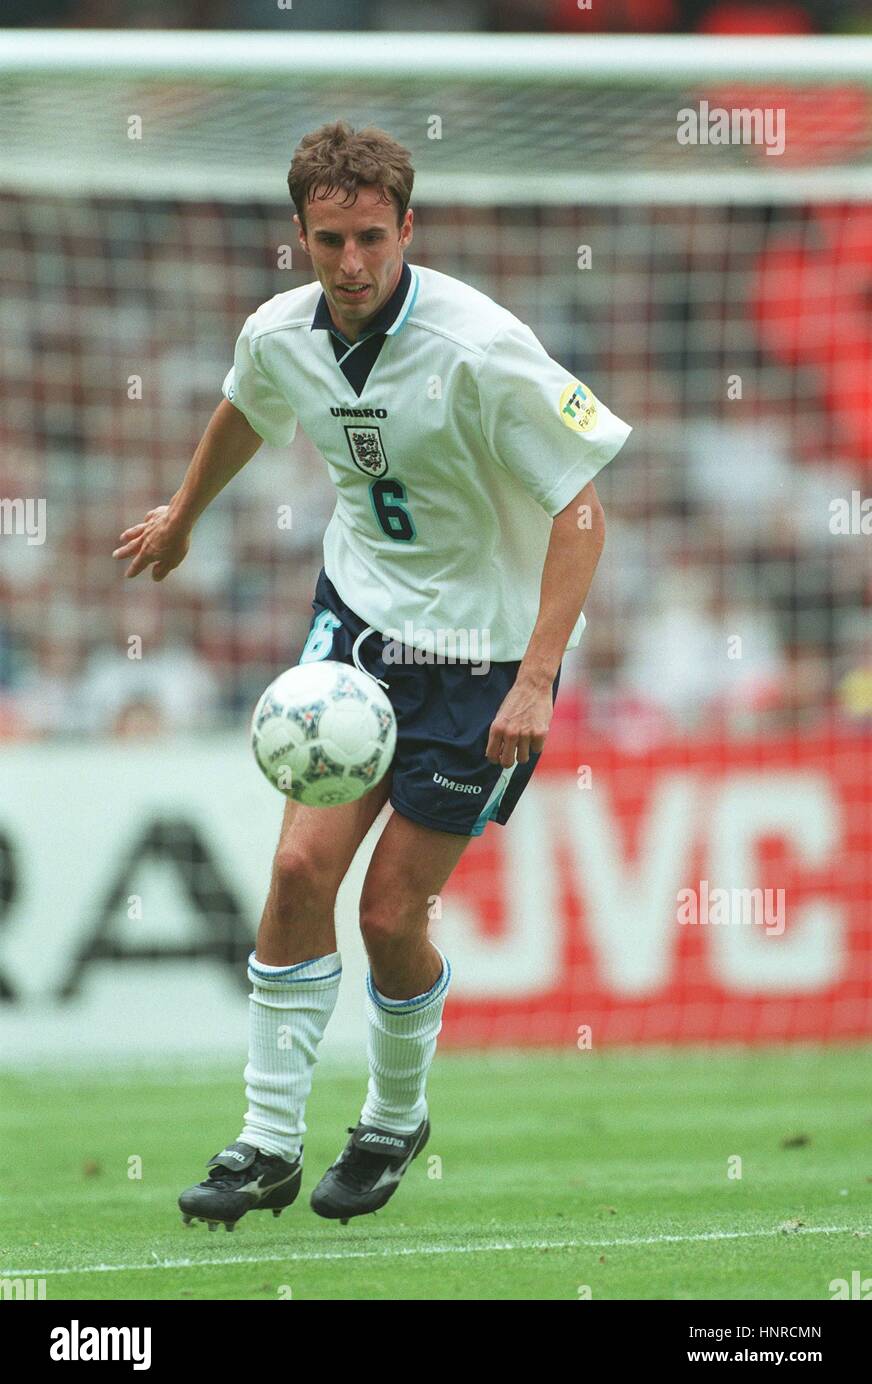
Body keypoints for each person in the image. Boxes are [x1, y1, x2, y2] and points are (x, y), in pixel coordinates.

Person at [112, 120, 631, 1229]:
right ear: (298, 235)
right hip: (356, 628)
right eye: (329, 240)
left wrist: (536, 678)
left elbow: (581, 510)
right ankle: (264, 1142)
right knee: (300, 868)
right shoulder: (279, 331)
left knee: (394, 913)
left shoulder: (480, 345)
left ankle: (394, 1119)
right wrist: (182, 516)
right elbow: (247, 407)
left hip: (481, 658)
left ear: (409, 229)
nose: (351, 264)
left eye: (372, 239)